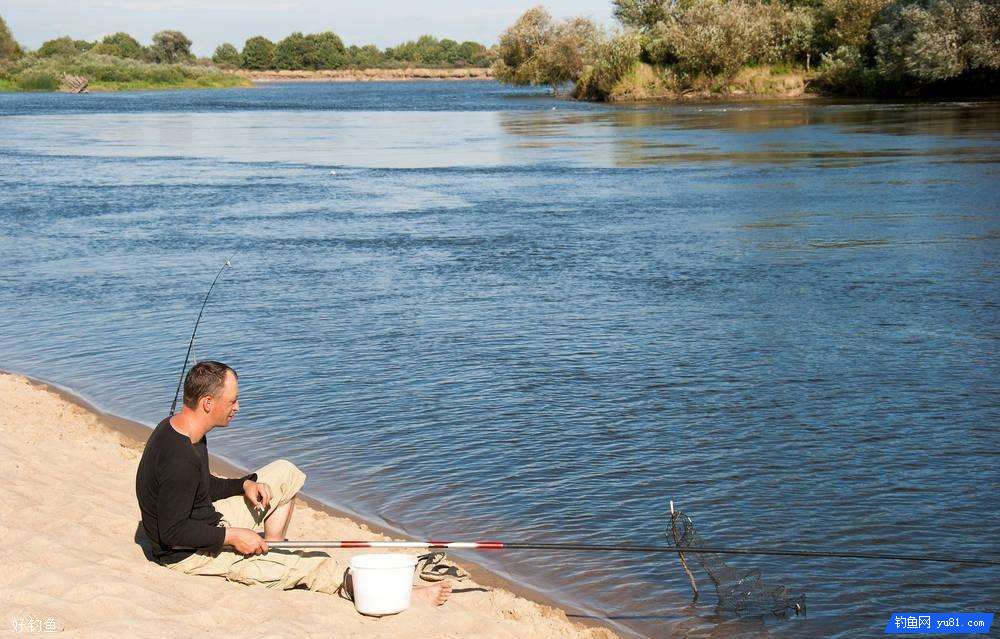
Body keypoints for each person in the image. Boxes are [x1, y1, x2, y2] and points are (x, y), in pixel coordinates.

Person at [135, 360, 451, 606]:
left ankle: (272, 544)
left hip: (205, 522)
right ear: (207, 402)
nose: (237, 407)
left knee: (283, 472)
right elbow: (171, 533)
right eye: (232, 401)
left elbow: (200, 486)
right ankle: (408, 595)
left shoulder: (186, 432)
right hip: (187, 554)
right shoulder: (178, 457)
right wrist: (233, 536)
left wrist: (244, 484)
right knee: (313, 562)